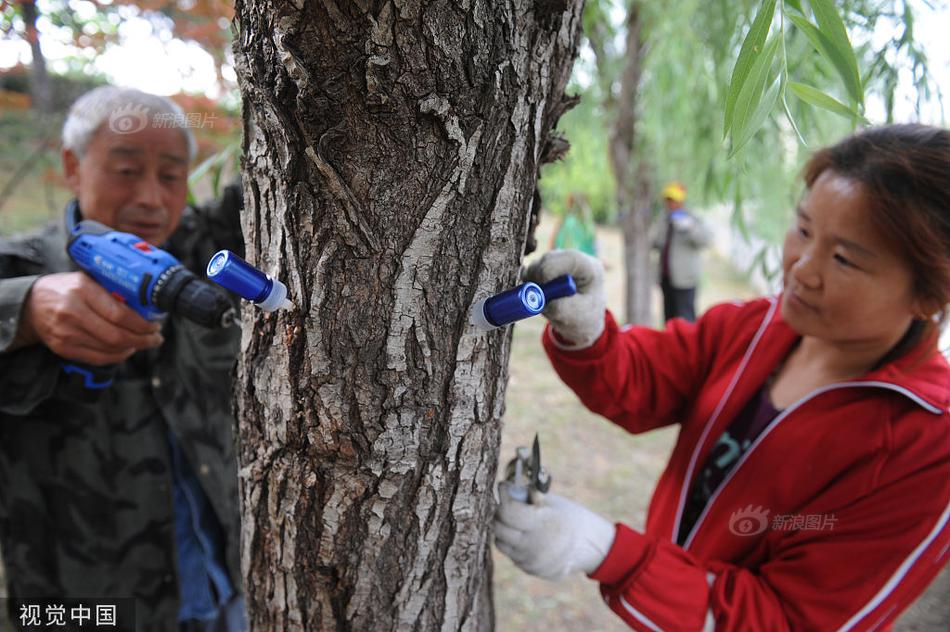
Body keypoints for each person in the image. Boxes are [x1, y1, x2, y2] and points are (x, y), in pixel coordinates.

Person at [497, 124, 950, 630]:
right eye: (803, 229)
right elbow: (647, 383)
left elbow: (790, 620)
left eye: (843, 258)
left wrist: (609, 553)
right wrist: (588, 334)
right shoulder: (759, 325)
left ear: (929, 295)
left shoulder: (926, 443)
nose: (802, 268)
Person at [0, 86, 247, 632]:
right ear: (72, 165)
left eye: (170, 176)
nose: (151, 200)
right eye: (127, 170)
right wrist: (26, 310)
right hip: (79, 607)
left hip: (228, 582)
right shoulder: (17, 266)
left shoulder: (208, 253)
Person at [649, 181, 710, 322]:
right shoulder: (664, 219)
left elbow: (706, 240)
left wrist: (690, 228)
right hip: (667, 277)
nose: (670, 204)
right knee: (669, 318)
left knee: (685, 318)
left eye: (673, 200)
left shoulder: (692, 218)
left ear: (681, 200)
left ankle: (687, 344)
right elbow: (656, 243)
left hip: (685, 280)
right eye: (668, 200)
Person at [550, 192, 598, 257]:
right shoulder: (565, 219)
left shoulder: (587, 222)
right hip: (569, 256)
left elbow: (593, 242)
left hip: (574, 257)